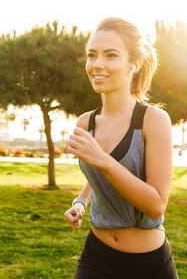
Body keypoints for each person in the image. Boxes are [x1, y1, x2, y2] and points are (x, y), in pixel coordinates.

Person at [64, 17, 179, 278]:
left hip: (148, 264)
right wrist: (81, 202)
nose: (97, 65)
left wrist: (102, 159)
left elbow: (156, 204)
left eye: (111, 55)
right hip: (96, 257)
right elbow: (99, 176)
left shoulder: (153, 121)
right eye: (91, 55)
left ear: (133, 64)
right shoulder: (85, 123)